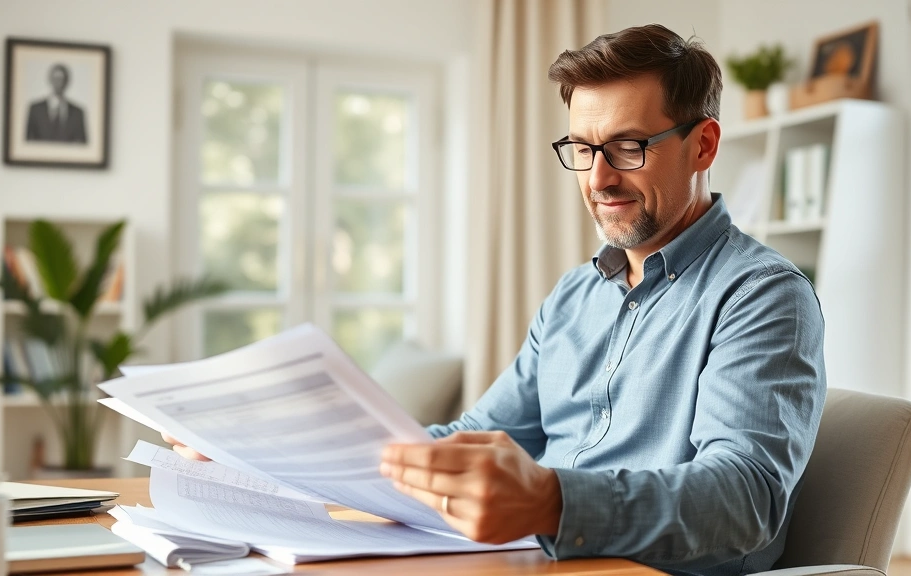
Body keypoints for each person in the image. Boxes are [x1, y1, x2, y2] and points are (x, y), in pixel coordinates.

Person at [165, 24, 826, 576]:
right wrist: (259, 454)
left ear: (702, 144)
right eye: (583, 148)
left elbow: (746, 498)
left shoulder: (762, 296)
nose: (598, 178)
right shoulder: (574, 296)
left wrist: (552, 501)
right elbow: (467, 441)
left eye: (627, 147)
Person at [25, 63, 88, 143]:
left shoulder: (77, 113)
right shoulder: (35, 109)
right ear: (50, 80)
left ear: (66, 82)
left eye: (61, 79)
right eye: (56, 79)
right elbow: (29, 141)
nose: (58, 83)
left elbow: (81, 144)